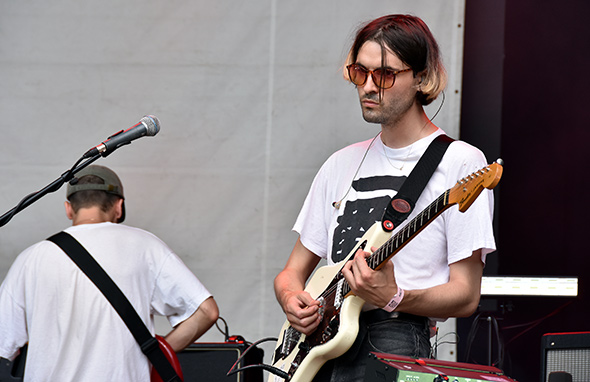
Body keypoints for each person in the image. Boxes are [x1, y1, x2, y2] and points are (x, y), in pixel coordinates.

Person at [273, 14, 496, 381]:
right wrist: (290, 299)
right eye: (361, 72)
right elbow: (292, 272)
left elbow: (466, 294)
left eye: (386, 74)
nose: (369, 87)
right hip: (318, 346)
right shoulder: (338, 164)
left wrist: (394, 296)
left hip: (394, 338)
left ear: (421, 77)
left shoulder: (461, 162)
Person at [0, 165, 219, 381]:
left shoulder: (30, 259)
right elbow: (206, 312)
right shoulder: (145, 246)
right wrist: (155, 354)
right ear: (119, 206)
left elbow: (3, 342)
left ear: (68, 208)